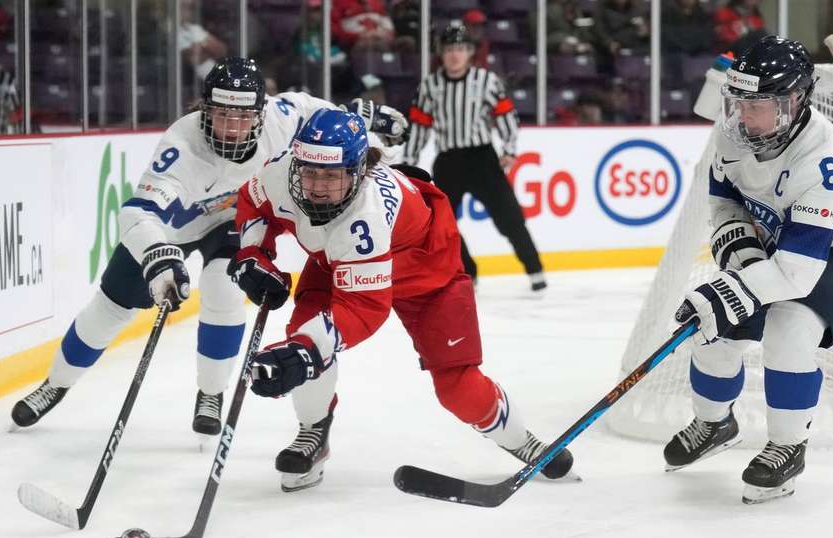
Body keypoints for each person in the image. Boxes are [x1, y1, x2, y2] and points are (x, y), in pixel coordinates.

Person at [10, 57, 409, 435]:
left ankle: (211, 394)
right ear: (205, 110)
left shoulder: (280, 117)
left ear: (260, 112)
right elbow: (136, 213)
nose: (232, 128)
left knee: (223, 288)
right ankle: (56, 383)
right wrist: (157, 256)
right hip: (173, 232)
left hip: (236, 221)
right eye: (221, 115)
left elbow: (312, 111)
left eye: (242, 117)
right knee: (111, 307)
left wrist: (360, 114)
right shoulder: (182, 144)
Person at [229, 108, 574, 491]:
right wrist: (253, 254)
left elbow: (363, 308)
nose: (317, 186)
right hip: (341, 260)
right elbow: (253, 201)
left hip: (426, 273)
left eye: (331, 175)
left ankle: (521, 441)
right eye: (309, 172)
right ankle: (314, 433)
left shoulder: (367, 214)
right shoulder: (282, 171)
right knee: (303, 334)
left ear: (358, 171)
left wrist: (307, 354)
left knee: (458, 387)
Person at [664, 37, 833, 504]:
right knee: (712, 331)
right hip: (779, 244)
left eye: (758, 105)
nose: (743, 116)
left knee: (789, 325)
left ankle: (788, 445)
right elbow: (724, 203)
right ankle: (714, 422)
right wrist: (742, 266)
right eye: (738, 102)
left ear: (793, 102)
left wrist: (733, 290)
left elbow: (799, 274)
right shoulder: (735, 130)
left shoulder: (821, 160)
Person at [404, 24, 547, 292]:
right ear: (441, 54)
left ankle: (535, 269)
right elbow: (420, 126)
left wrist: (509, 150)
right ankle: (468, 272)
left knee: (510, 218)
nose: (454, 55)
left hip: (482, 159)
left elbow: (505, 115)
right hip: (448, 160)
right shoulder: (430, 86)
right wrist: (409, 163)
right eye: (449, 50)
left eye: (460, 49)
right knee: (442, 225)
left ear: (470, 52)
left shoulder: (485, 81)